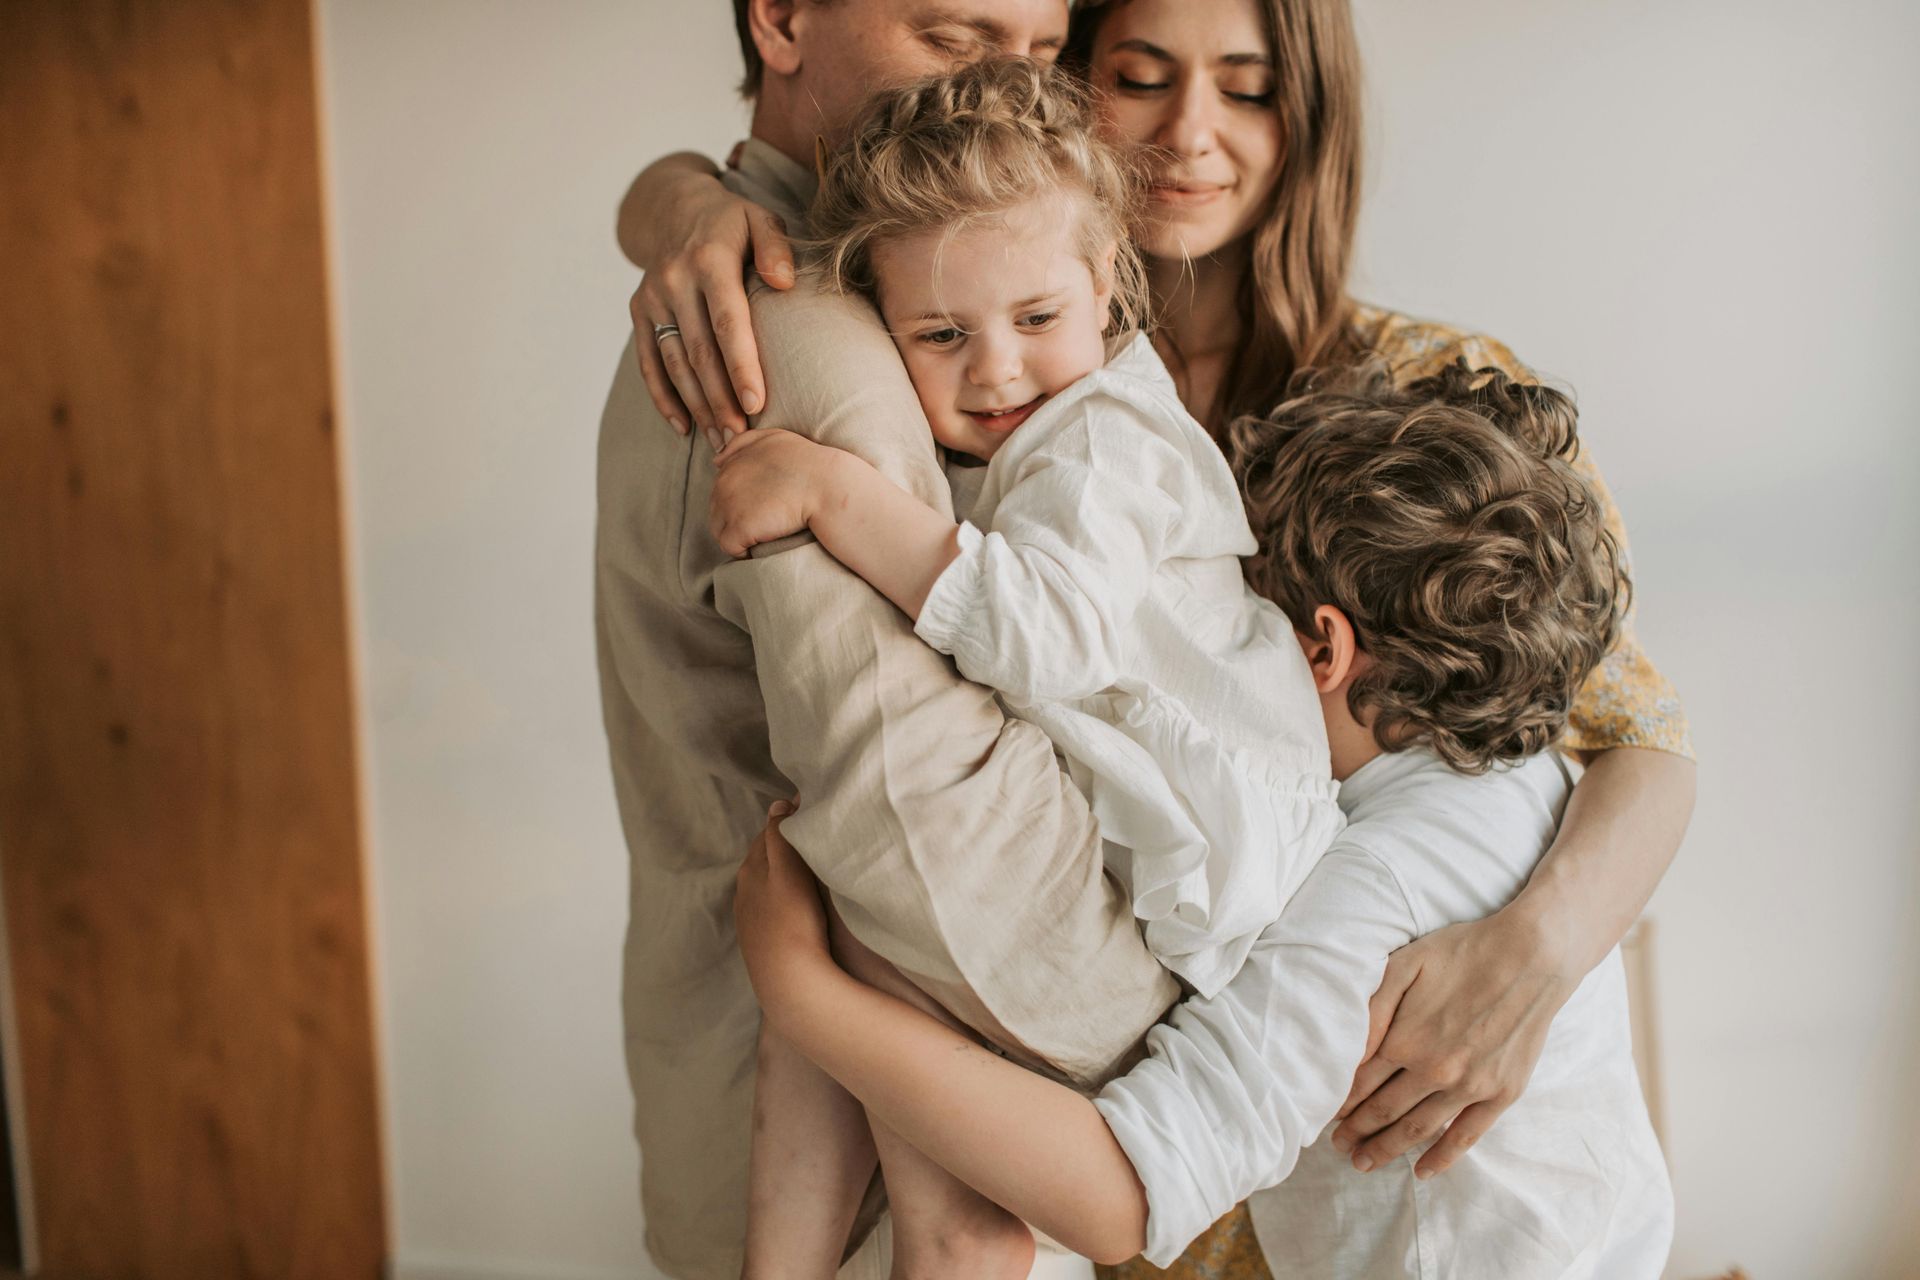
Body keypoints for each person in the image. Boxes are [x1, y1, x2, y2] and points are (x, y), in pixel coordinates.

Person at [619, 0, 1695, 1270]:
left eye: (1246, 87)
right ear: (1062, 95)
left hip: (1269, 1118)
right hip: (1151, 1145)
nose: (1191, 134)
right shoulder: (970, 344)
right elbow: (770, 191)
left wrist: (1538, 950)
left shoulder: (1421, 394)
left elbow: (1640, 739)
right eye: (1138, 76)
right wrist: (671, 197)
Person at [732, 359, 1676, 1277]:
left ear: (1319, 649)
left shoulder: (1366, 894)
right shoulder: (1533, 777)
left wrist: (802, 994)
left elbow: (1122, 1197)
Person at [707, 58, 1344, 1278]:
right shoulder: (1042, 419)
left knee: (864, 925)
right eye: (940, 335)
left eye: (1036, 320)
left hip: (1206, 888)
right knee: (844, 932)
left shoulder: (1108, 442)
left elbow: (1039, 630)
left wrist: (835, 491)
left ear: (1106, 283)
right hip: (1142, 844)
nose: (994, 371)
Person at [594, 4, 1193, 1278]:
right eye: (952, 34)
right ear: (784, 17)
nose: (1000, 91)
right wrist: (1217, 1054)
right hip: (873, 1154)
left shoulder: (892, 287)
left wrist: (668, 195)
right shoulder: (805, 334)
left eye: (1038, 55)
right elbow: (927, 828)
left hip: (805, 1098)